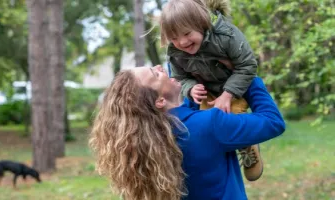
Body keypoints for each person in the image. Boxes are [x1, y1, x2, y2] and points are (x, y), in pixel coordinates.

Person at [89, 65, 285, 200]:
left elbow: (188, 114)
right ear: (159, 101)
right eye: (155, 74)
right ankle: (244, 141)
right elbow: (273, 121)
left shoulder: (149, 141)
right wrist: (247, 77)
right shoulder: (208, 125)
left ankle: (243, 141)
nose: (160, 67)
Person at [160, 0, 262, 181]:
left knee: (232, 117)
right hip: (207, 92)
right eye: (174, 38)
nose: (182, 42)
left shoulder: (226, 35)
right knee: (209, 127)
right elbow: (179, 78)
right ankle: (218, 161)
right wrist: (190, 88)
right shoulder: (175, 51)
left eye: (186, 33)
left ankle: (247, 145)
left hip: (234, 86)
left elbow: (247, 65)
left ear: (201, 23)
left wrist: (228, 94)